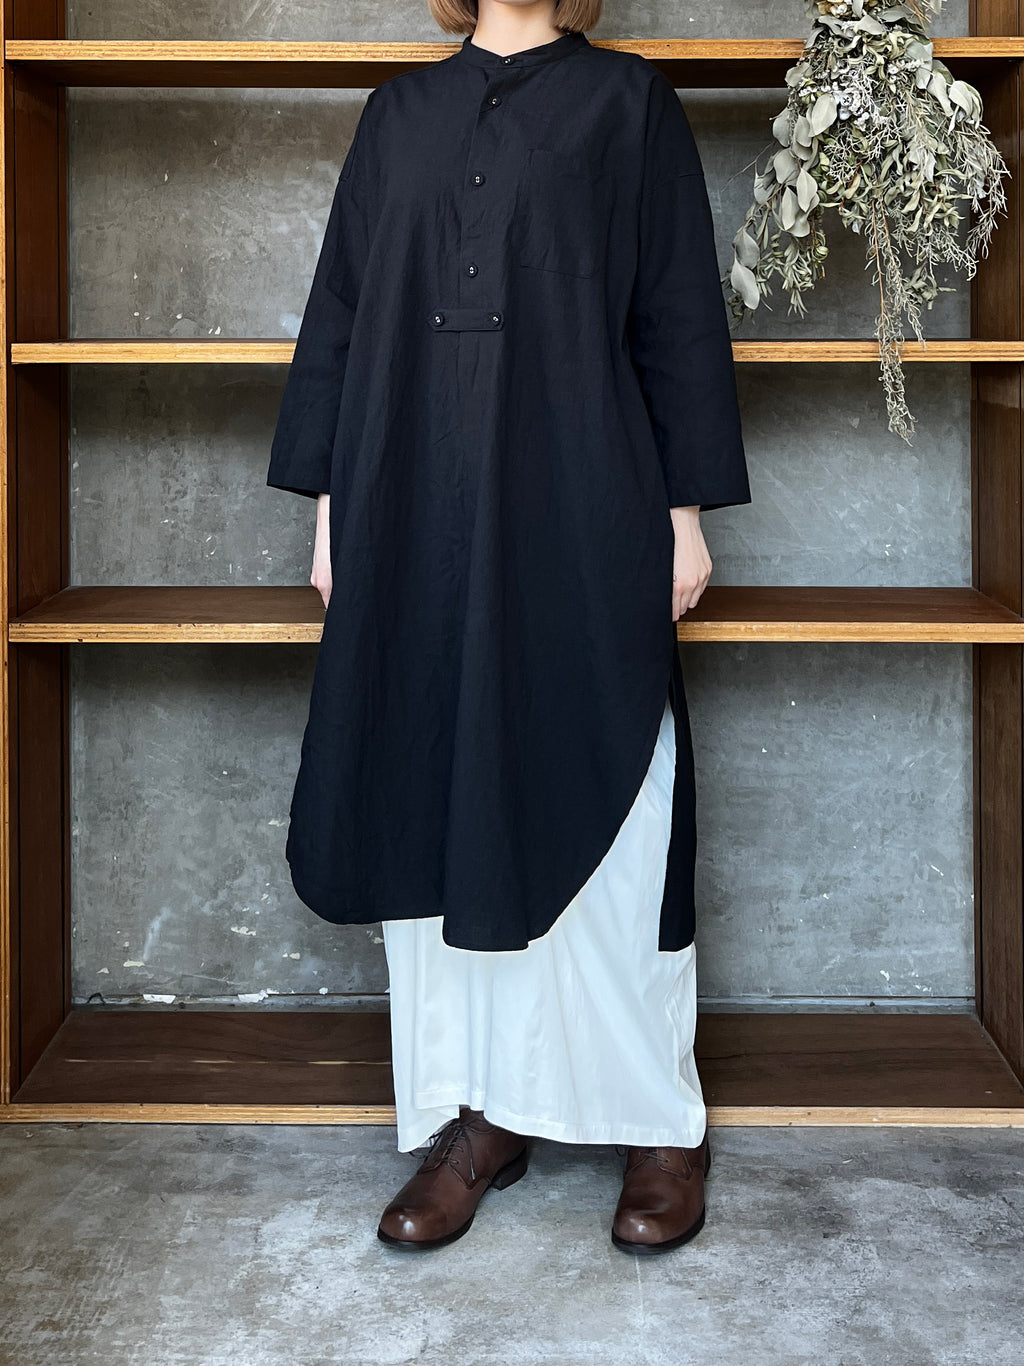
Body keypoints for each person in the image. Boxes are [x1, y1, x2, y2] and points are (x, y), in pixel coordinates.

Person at [266, 0, 751, 1255]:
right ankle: (478, 1117)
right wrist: (329, 512)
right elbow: (342, 315)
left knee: (620, 805)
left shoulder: (629, 106)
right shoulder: (396, 118)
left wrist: (684, 515)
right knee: (437, 797)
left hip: (584, 499)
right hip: (411, 504)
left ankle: (657, 1120)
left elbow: (675, 312)